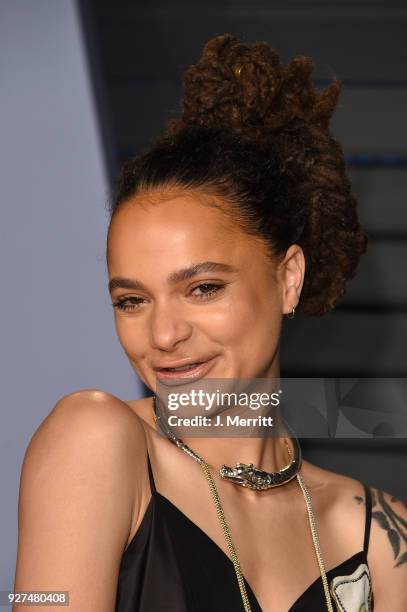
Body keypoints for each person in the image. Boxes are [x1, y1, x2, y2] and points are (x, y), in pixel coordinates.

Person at [13, 34, 406, 612]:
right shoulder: (96, 442)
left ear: (287, 279)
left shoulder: (379, 533)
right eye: (132, 301)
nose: (164, 335)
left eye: (203, 289)